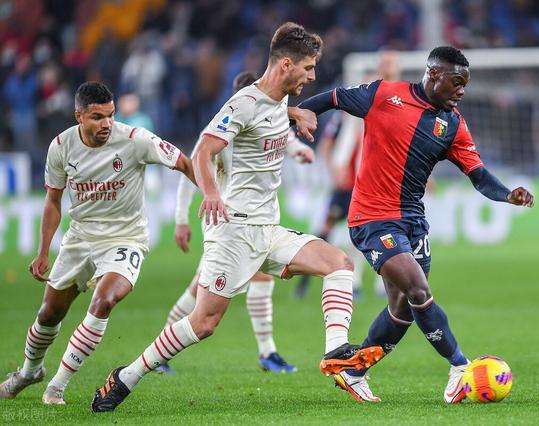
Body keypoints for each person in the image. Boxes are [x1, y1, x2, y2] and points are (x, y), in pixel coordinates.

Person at [91, 22, 385, 413]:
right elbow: (202, 151)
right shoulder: (242, 104)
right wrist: (212, 193)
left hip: (267, 229)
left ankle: (337, 355)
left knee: (339, 264)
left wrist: (294, 113)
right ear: (285, 65)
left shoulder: (278, 99)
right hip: (233, 233)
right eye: (308, 67)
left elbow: (273, 109)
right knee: (203, 323)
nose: (313, 76)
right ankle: (127, 376)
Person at [296, 46, 534, 403]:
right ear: (434, 74)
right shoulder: (383, 95)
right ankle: (460, 367)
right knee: (419, 290)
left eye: (465, 85)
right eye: (457, 82)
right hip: (372, 218)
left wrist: (507, 194)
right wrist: (297, 114)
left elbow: (478, 174)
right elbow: (333, 97)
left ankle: (354, 372)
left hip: (413, 221)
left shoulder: (453, 124)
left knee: (403, 309)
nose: (461, 91)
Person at [0, 82, 196, 405]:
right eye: (97, 117)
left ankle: (57, 386)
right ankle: (29, 372)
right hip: (80, 238)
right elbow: (53, 200)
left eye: (110, 115)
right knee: (49, 313)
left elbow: (185, 163)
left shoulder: (135, 140)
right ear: (79, 116)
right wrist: (43, 251)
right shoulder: (61, 146)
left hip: (126, 238)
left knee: (104, 300)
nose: (106, 124)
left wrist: (214, 197)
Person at [160, 71, 315, 375]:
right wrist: (180, 219)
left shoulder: (268, 119)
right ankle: (267, 352)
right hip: (226, 218)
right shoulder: (224, 128)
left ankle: (164, 345)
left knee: (201, 286)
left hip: (252, 217)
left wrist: (300, 152)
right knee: (257, 277)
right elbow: (191, 167)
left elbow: (284, 140)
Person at [295, 50, 401, 300]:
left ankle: (368, 284)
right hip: (347, 182)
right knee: (328, 227)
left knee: (375, 230)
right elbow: (326, 144)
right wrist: (335, 170)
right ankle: (304, 280)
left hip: (373, 183)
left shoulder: (390, 109)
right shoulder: (347, 115)